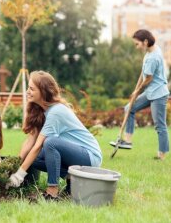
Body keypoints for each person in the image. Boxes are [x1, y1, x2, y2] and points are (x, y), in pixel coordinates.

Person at [6, 71, 102, 199]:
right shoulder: (41, 110)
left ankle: (52, 190)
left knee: (50, 142)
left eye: (31, 89)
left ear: (43, 91)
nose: (27, 91)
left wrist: (19, 175)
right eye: (28, 88)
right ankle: (72, 179)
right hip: (74, 156)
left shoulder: (56, 112)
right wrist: (13, 166)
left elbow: (38, 145)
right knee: (33, 159)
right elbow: (31, 140)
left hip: (89, 156)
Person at [110, 29, 170, 160]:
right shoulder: (151, 51)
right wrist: (135, 90)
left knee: (160, 125)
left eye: (137, 44)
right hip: (150, 92)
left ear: (145, 42)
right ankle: (127, 140)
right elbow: (143, 73)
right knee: (129, 108)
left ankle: (162, 155)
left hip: (158, 94)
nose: (136, 47)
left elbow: (148, 78)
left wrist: (138, 91)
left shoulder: (153, 57)